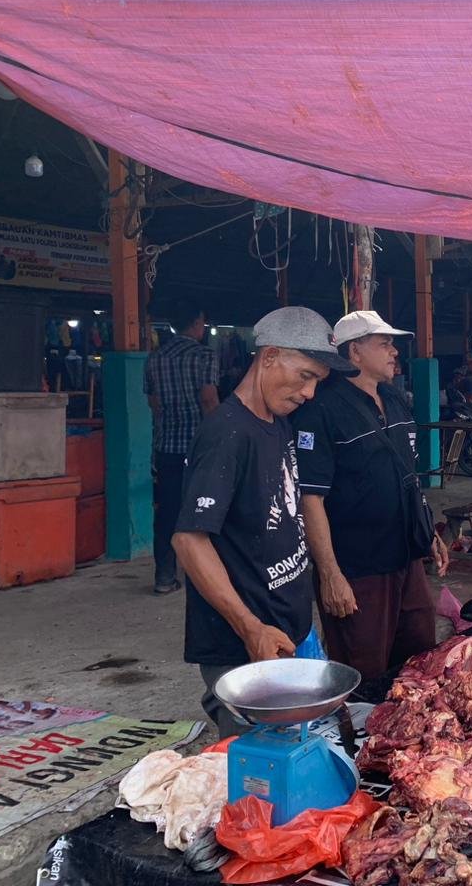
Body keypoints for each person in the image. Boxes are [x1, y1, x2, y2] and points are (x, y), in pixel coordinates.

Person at [171, 307, 350, 737]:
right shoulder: (227, 433)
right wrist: (250, 628)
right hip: (245, 647)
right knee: (263, 780)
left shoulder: (277, 423)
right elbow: (189, 540)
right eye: (305, 375)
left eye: (317, 382)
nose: (309, 393)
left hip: (290, 631)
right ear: (269, 356)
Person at [293, 310, 448, 682]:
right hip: (358, 569)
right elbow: (309, 498)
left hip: (405, 558)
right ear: (355, 352)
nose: (394, 351)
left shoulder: (393, 398)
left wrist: (428, 530)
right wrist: (330, 574)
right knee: (363, 670)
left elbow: (407, 475)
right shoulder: (322, 408)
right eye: (384, 343)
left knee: (420, 657)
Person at [144, 298, 220, 595]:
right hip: (199, 449)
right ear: (197, 322)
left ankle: (164, 576)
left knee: (167, 513)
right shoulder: (204, 356)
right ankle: (206, 578)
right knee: (206, 512)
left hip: (167, 449)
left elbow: (154, 404)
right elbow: (209, 400)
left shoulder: (155, 358)